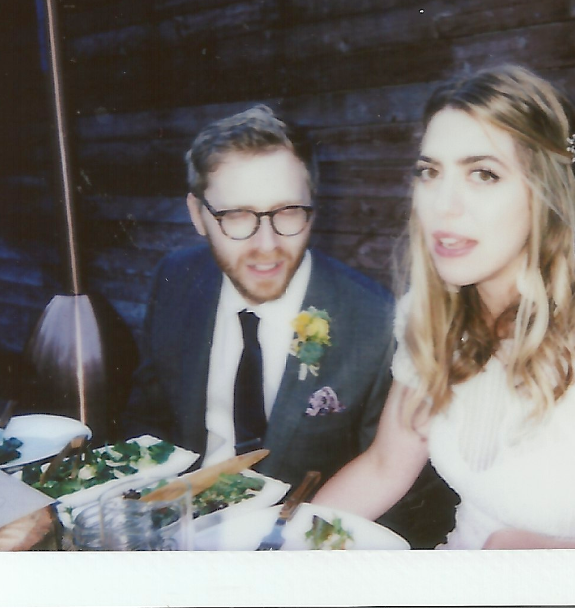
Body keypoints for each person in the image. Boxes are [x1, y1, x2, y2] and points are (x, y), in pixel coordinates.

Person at [313, 65, 575, 548]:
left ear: (547, 193)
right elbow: (384, 468)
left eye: (483, 174)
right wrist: (278, 547)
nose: (443, 204)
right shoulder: (434, 306)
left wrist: (513, 552)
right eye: (429, 172)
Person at [121, 107, 455, 547]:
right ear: (198, 215)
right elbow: (149, 420)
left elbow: (399, 492)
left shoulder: (374, 320)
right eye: (237, 216)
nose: (267, 246)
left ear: (314, 209)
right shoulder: (176, 282)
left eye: (288, 212)